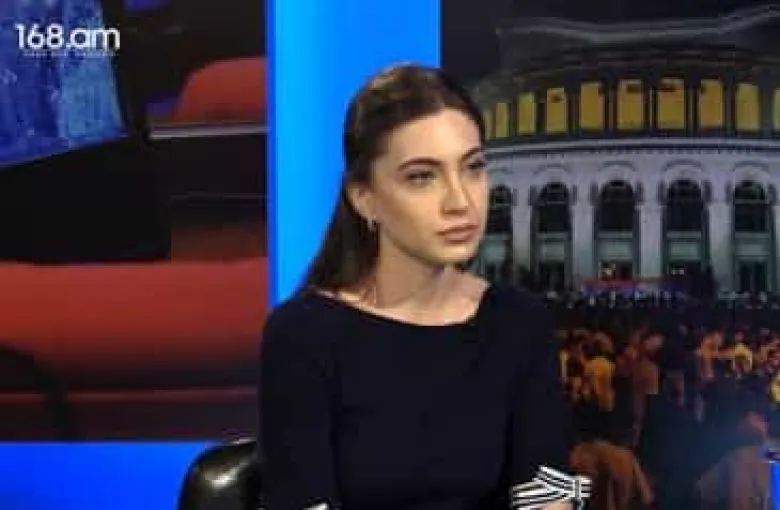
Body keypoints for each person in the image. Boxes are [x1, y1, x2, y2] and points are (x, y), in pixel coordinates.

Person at [257, 63, 590, 510]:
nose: (460, 201)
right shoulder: (302, 337)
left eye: (473, 168)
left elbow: (549, 493)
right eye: (422, 176)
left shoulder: (521, 321)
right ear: (364, 198)